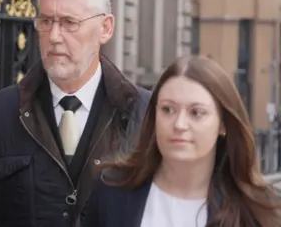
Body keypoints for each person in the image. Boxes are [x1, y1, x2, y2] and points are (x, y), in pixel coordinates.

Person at [0, 0, 151, 227]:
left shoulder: (145, 116)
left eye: (69, 23)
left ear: (105, 28)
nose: (53, 36)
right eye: (45, 22)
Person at [84, 56, 281, 227]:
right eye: (168, 110)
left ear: (223, 124)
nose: (179, 124)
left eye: (196, 113)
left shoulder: (257, 210)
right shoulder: (113, 192)